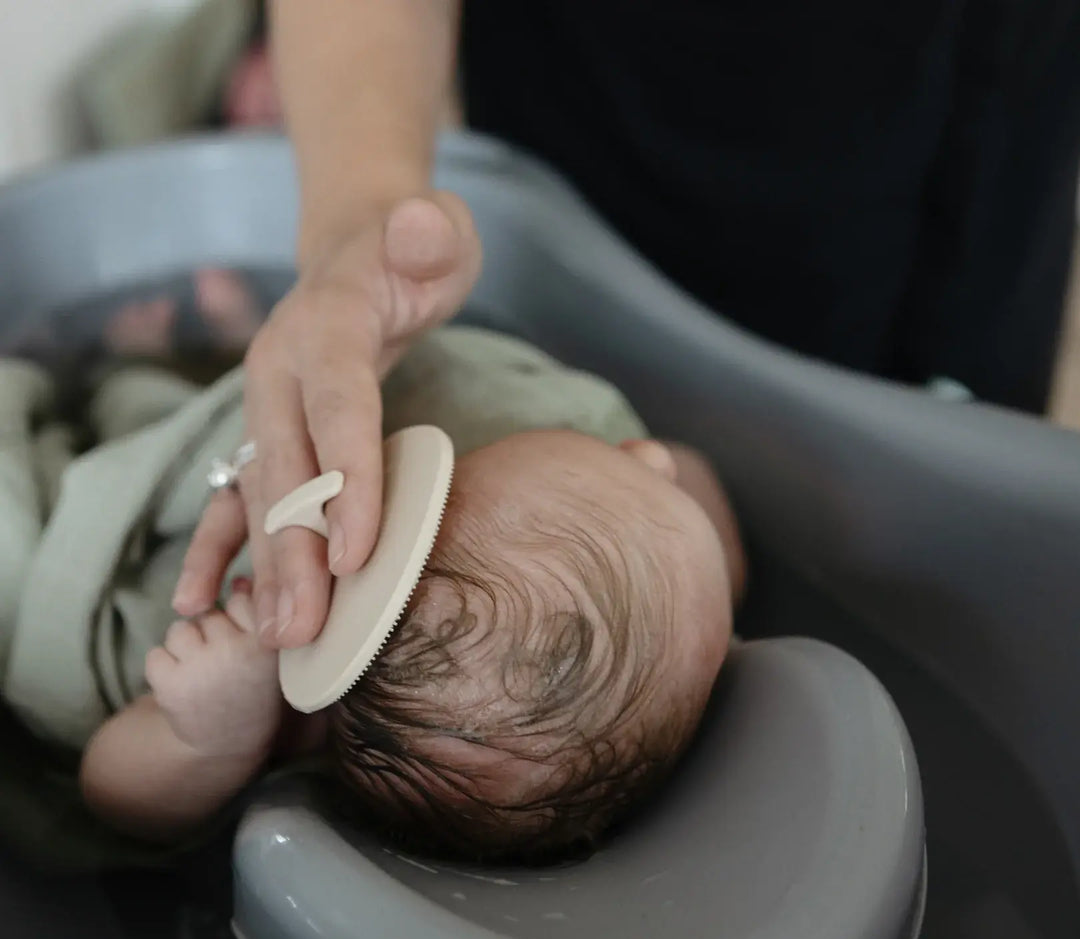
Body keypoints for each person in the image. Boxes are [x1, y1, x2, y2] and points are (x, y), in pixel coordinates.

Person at [176, 0, 1080, 676]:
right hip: (605, 144)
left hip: (982, 96)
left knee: (946, 472)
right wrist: (354, 229)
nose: (651, 461)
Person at [0, 276, 743, 865]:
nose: (646, 454)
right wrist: (687, 516)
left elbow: (113, 796)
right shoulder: (686, 621)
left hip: (146, 552)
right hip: (226, 447)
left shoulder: (283, 712)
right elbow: (691, 488)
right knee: (239, 409)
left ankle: (129, 365)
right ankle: (182, 355)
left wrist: (208, 740)